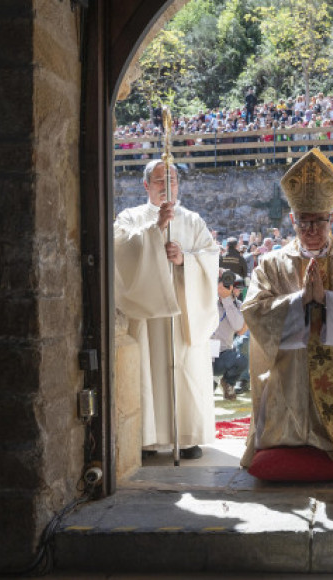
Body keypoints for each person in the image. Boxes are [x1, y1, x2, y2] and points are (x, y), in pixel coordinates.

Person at [240, 147, 333, 474]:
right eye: (303, 222)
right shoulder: (272, 263)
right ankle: (292, 441)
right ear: (293, 220)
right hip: (290, 369)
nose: (310, 230)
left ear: (331, 218)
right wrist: (299, 302)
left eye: (318, 222)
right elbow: (253, 309)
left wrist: (329, 301)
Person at [114, 159, 220, 461]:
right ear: (146, 185)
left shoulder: (192, 220)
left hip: (184, 312)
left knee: (183, 367)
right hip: (147, 315)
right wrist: (154, 230)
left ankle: (185, 436)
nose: (167, 186)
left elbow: (210, 256)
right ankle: (146, 438)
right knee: (148, 369)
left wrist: (185, 259)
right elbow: (120, 253)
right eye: (160, 180)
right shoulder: (130, 217)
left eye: (172, 179)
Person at [212, 269, 249, 400]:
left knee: (241, 361)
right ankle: (213, 382)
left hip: (222, 356)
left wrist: (227, 300)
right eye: (233, 287)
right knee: (206, 392)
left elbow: (239, 327)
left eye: (237, 288)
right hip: (200, 355)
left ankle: (228, 383)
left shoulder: (238, 306)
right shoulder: (209, 301)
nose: (237, 292)